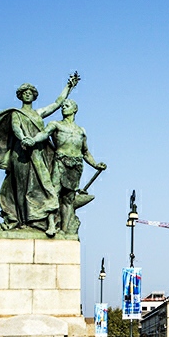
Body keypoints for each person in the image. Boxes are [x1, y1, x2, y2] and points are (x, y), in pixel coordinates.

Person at [0, 74, 79, 237]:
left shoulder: (38, 113)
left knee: (43, 186)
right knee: (20, 187)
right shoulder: (16, 113)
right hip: (20, 154)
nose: (27, 94)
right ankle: (19, 220)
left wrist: (68, 87)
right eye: (24, 92)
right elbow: (16, 127)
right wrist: (24, 139)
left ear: (34, 96)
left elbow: (57, 103)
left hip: (37, 154)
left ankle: (42, 219)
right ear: (20, 95)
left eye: (30, 92)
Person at [24, 98, 106, 236]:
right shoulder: (55, 124)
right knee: (54, 193)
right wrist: (33, 140)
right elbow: (44, 134)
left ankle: (64, 229)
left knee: (69, 199)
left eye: (67, 106)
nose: (63, 108)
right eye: (62, 106)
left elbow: (85, 151)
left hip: (76, 166)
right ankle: (50, 225)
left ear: (74, 109)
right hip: (60, 162)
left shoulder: (81, 130)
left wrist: (95, 164)